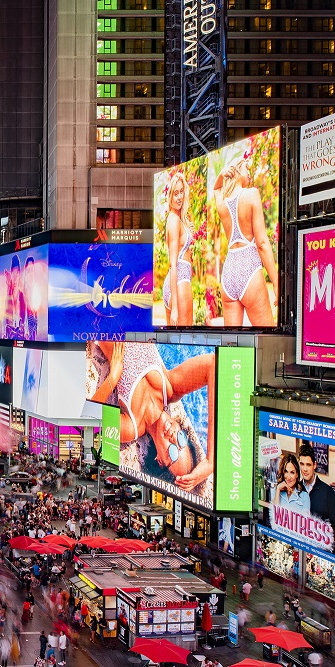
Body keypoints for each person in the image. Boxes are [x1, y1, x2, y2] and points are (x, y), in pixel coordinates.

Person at [89, 341, 215, 491]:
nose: (173, 437)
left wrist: (114, 376)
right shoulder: (170, 388)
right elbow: (213, 365)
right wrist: (210, 461)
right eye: (181, 439)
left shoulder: (131, 426)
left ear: (160, 460)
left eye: (173, 452)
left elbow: (90, 415)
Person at [212, 153, 279, 326]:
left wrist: (221, 175)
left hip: (228, 273)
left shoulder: (222, 204)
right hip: (249, 268)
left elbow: (216, 189)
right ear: (237, 171)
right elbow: (262, 244)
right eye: (246, 168)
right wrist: (276, 282)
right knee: (267, 338)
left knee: (231, 344)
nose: (249, 172)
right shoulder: (251, 194)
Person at [162, 171, 195, 326]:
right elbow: (173, 264)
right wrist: (175, 307)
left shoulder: (175, 219)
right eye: (176, 193)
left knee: (173, 340)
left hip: (173, 285)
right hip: (179, 282)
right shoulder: (174, 221)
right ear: (170, 196)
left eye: (181, 192)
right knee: (188, 337)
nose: (179, 197)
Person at [298, 444, 335, 529]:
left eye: (308, 464)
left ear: (314, 465)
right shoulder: (295, 489)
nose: (305, 469)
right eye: (302, 464)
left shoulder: (328, 493)